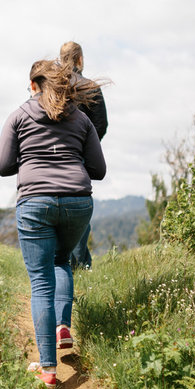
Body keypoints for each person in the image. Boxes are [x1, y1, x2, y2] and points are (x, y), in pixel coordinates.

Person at [0, 59, 106, 389]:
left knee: (40, 282)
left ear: (32, 85)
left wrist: (31, 157)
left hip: (35, 203)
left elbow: (3, 166)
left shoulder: (18, 116)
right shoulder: (81, 118)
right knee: (62, 261)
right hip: (77, 201)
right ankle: (63, 327)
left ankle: (48, 370)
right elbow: (98, 170)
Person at [60, 41, 108, 271]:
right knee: (78, 215)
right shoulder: (90, 87)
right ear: (80, 59)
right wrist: (85, 147)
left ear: (61, 60)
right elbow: (101, 125)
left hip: (49, 157)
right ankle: (78, 268)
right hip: (78, 159)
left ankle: (58, 267)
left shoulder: (52, 88)